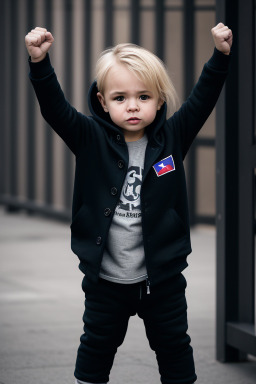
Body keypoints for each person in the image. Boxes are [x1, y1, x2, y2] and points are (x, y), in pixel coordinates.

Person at [25, 22, 232, 384]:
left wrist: (220, 55)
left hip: (163, 281)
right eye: (120, 98)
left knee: (174, 347)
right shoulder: (89, 138)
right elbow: (55, 109)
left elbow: (203, 99)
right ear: (103, 102)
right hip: (106, 281)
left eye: (144, 97)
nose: (132, 106)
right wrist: (40, 63)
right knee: (96, 346)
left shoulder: (171, 137)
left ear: (160, 100)